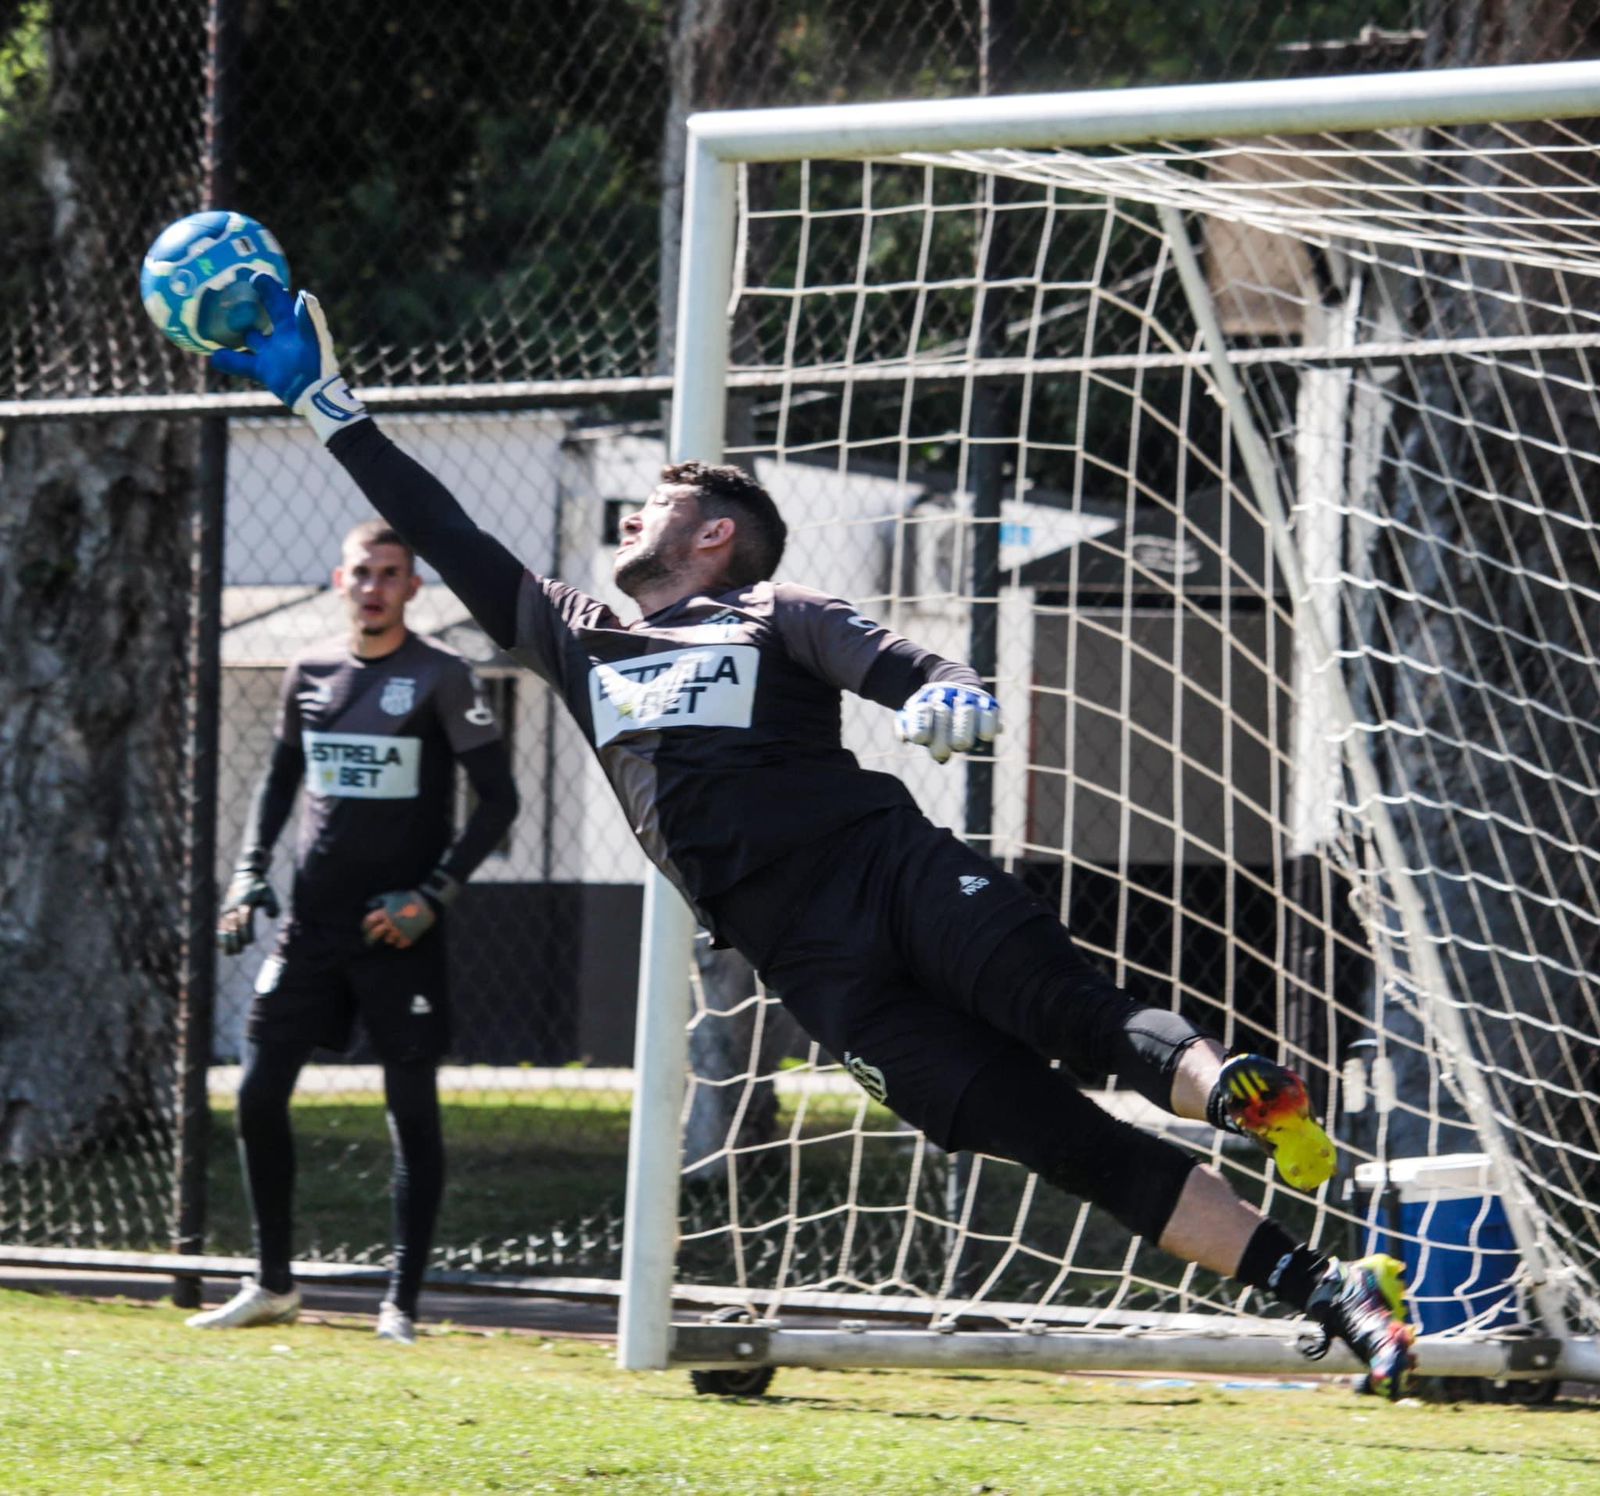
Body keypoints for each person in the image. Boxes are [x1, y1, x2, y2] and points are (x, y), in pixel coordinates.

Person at [210, 273, 1417, 1396]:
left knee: (1071, 1013)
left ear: (715, 533)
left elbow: (887, 660)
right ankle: (1332, 1289)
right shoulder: (580, 636)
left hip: (889, 875)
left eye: (661, 503)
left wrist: (946, 693)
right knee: (1062, 1140)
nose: (635, 512)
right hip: (817, 971)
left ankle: (1245, 1095)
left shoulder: (767, 608)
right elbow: (453, 532)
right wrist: (329, 407)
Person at [189, 516, 519, 1345]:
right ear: (342, 583)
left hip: (399, 931)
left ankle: (400, 1305)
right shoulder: (310, 672)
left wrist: (432, 896)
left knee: (409, 1110)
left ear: (413, 587)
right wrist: (246, 871)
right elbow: (278, 784)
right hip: (310, 928)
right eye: (361, 573)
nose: (373, 587)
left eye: (390, 573)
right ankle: (272, 1285)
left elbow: (501, 800)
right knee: (258, 1094)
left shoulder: (444, 677)